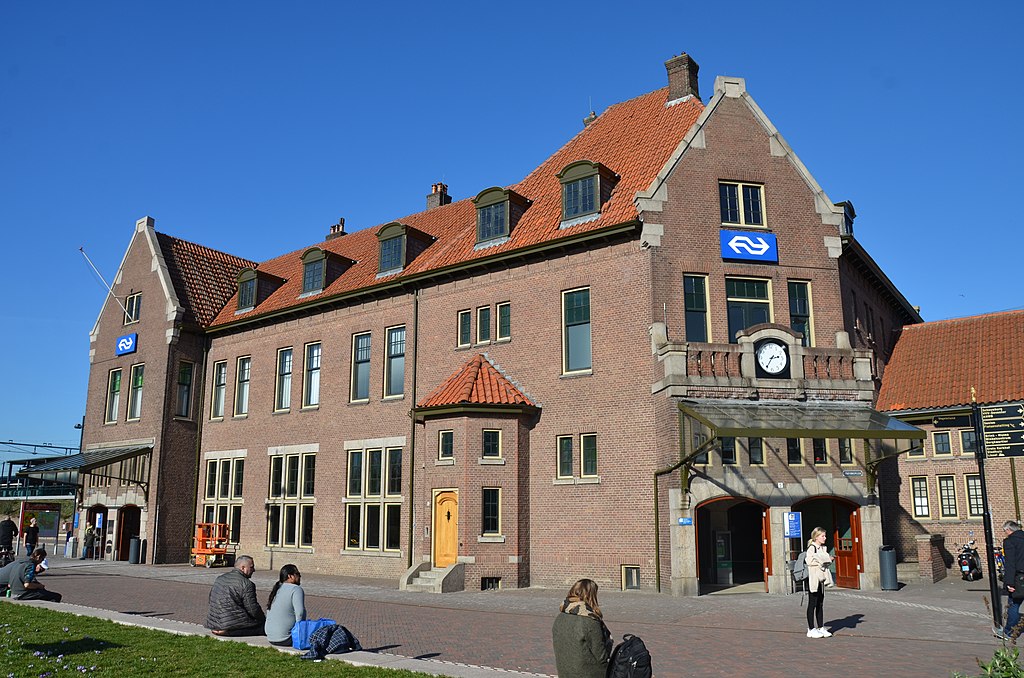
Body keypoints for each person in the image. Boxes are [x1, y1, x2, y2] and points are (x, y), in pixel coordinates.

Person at [551, 578, 612, 678]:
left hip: (564, 672)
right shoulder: (589, 620)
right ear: (591, 596)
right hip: (587, 673)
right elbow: (601, 656)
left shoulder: (560, 616)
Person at [206, 555, 265, 636]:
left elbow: (211, 599)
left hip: (214, 624)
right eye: (251, 567)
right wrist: (264, 619)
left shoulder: (220, 578)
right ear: (243, 568)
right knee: (266, 628)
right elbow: (253, 609)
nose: (254, 570)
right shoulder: (247, 584)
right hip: (230, 626)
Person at [265, 564, 306, 646]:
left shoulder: (277, 589)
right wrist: (300, 632)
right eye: (298, 574)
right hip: (286, 638)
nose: (300, 577)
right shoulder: (295, 589)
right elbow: (300, 613)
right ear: (290, 576)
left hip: (270, 636)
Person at [805, 526, 835, 638]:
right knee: (812, 603)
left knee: (820, 603)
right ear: (816, 537)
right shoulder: (812, 548)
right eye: (822, 536)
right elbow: (809, 561)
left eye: (825, 536)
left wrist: (827, 560)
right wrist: (826, 559)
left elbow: (822, 561)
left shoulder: (822, 548)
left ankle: (821, 627)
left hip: (821, 579)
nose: (825, 538)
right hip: (814, 579)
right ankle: (811, 628)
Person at [1000, 520, 1024, 640]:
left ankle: (1009, 631)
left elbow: (1010, 564)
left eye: (1005, 531)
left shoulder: (1010, 542)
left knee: (1014, 604)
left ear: (1009, 530)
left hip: (1019, 578)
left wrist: (1009, 583)